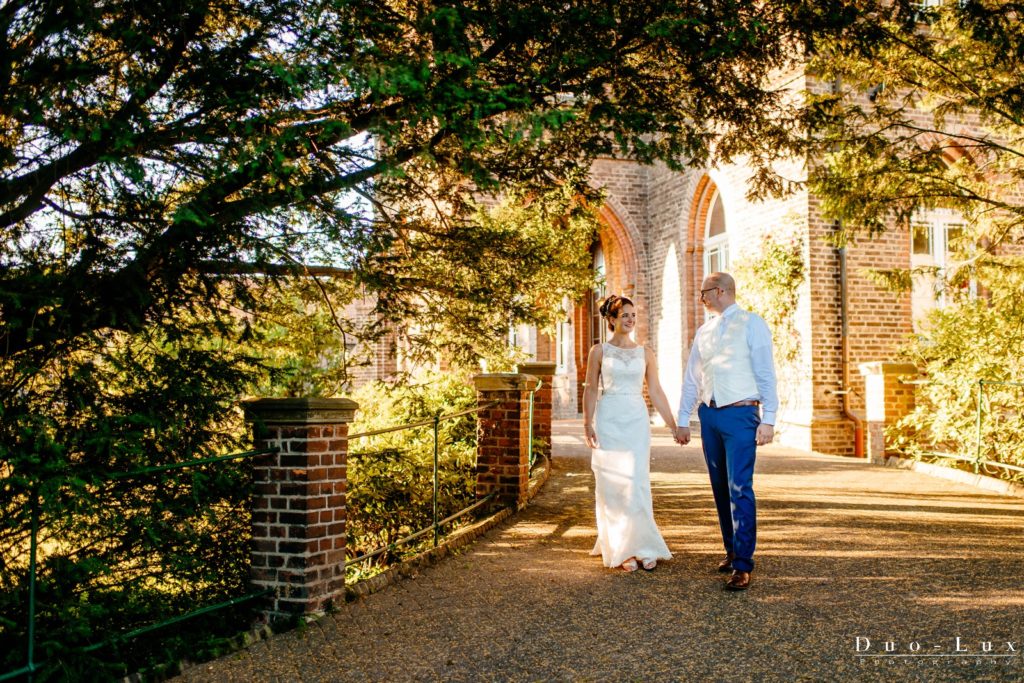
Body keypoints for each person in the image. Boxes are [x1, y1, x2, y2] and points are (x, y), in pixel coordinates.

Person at [674, 272, 778, 591]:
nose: (701, 298)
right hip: (710, 416)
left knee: (740, 487)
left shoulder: (752, 323)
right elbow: (693, 377)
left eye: (704, 292)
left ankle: (743, 564)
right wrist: (682, 417)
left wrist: (769, 418)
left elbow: (765, 372)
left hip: (741, 414)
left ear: (720, 291)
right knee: (720, 485)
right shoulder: (704, 331)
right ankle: (731, 550)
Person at [583, 294, 676, 572]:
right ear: (611, 320)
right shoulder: (598, 352)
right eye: (624, 315)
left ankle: (642, 545)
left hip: (635, 419)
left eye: (633, 315)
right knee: (613, 482)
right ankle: (621, 548)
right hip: (609, 417)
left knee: (636, 481)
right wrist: (587, 424)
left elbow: (656, 390)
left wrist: (673, 425)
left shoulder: (645, 352)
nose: (630, 319)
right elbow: (590, 388)